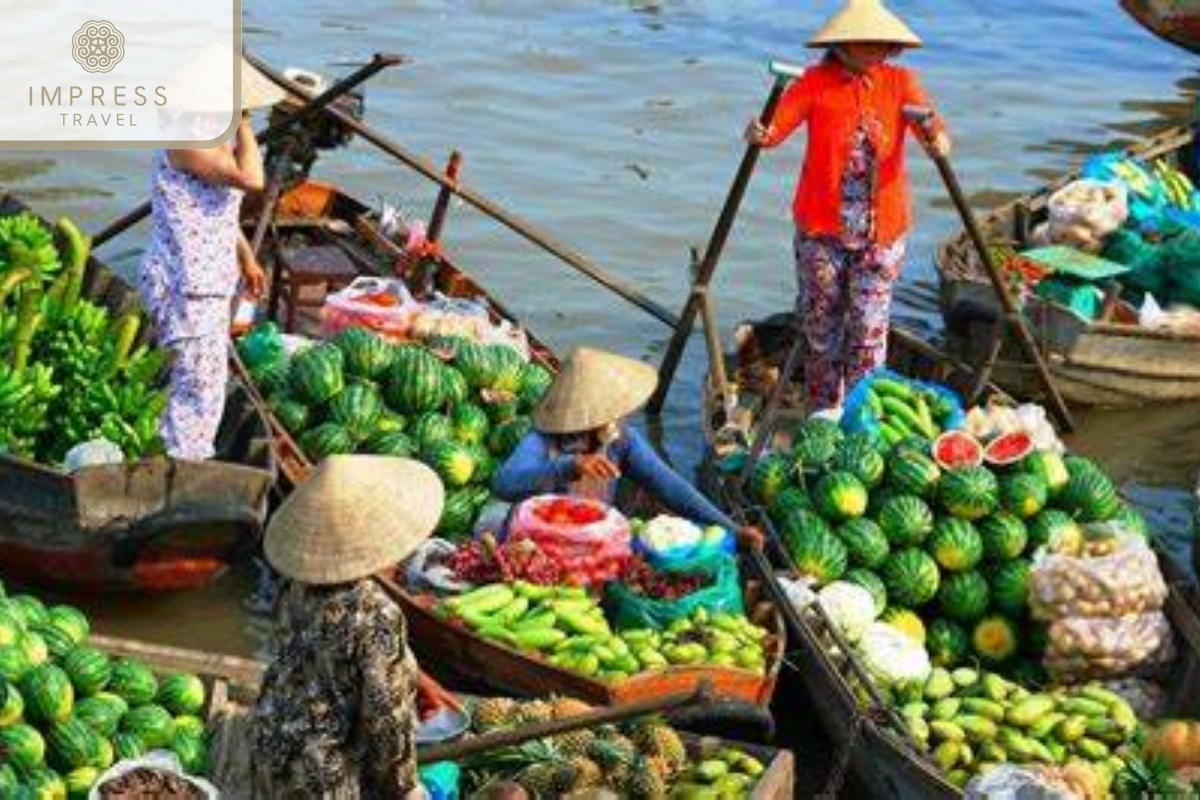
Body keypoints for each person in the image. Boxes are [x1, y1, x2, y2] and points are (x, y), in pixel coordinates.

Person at [744, 0, 952, 413]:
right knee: (822, 332)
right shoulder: (814, 83)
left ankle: (861, 416)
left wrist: (935, 139)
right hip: (822, 232)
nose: (879, 49)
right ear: (843, 45)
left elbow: (936, 133)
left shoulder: (900, 82)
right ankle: (825, 412)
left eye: (883, 43)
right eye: (869, 41)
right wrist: (758, 131)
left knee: (869, 333)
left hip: (882, 233)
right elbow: (773, 130)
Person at [248, 455, 444, 798]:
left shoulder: (296, 587)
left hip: (267, 748)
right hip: (320, 781)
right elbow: (387, 726)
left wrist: (414, 674)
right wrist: (405, 789)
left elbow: (323, 656)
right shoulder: (376, 612)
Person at [137, 57, 283, 460]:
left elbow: (217, 210)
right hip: (186, 283)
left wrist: (246, 259)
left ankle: (180, 455)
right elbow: (253, 180)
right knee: (196, 386)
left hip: (208, 280)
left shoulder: (210, 137)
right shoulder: (190, 141)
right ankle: (178, 466)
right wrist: (245, 125)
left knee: (202, 381)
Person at [493, 346, 756, 540]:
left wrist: (730, 527)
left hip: (589, 540)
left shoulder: (623, 440)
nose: (620, 417)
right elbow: (503, 483)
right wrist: (570, 465)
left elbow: (668, 485)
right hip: (537, 541)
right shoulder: (542, 440)